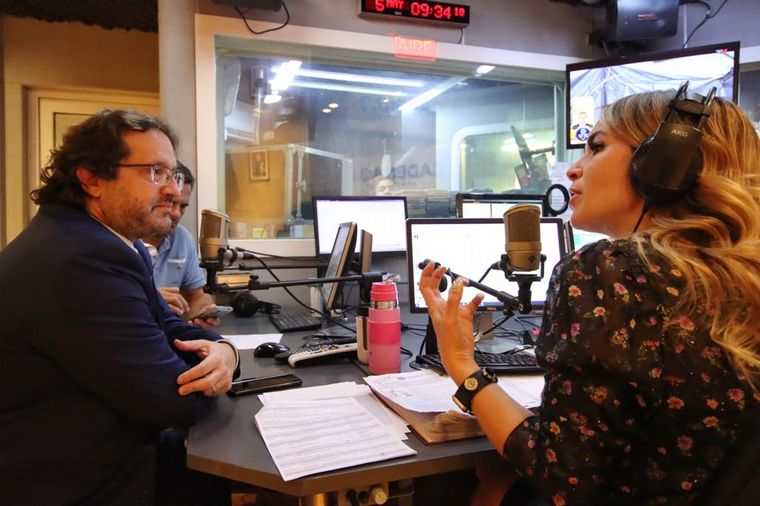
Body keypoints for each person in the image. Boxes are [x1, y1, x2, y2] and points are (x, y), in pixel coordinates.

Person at [420, 89, 760, 505]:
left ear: (663, 166)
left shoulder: (609, 270)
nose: (573, 170)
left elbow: (563, 478)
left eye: (596, 147)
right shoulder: (739, 278)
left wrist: (461, 363)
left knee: (485, 485)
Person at [0, 109, 239, 505]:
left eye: (173, 175)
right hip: (75, 482)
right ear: (92, 178)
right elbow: (171, 400)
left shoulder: (110, 241)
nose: (173, 191)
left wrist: (225, 351)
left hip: (105, 450)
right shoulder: (80, 258)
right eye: (154, 172)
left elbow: (169, 326)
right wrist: (219, 368)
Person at [142, 162, 218, 328]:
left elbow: (197, 295)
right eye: (170, 202)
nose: (176, 213)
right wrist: (151, 299)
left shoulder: (183, 239)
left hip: (170, 334)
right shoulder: (123, 239)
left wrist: (204, 312)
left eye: (183, 206)